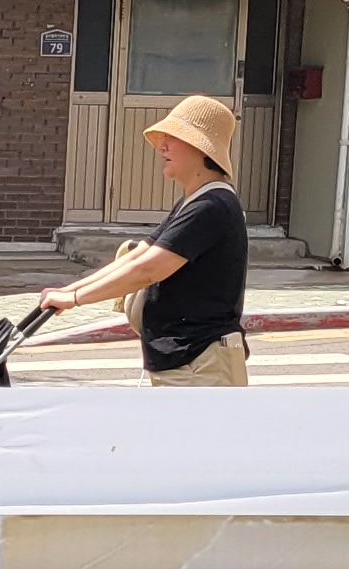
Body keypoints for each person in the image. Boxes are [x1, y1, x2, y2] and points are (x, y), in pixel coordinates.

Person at [33, 93, 249, 385]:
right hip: (189, 363)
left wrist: (74, 299)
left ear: (201, 148)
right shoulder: (196, 201)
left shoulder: (212, 207)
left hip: (201, 366)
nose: (162, 146)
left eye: (174, 138)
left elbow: (147, 269)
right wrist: (69, 291)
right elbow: (138, 255)